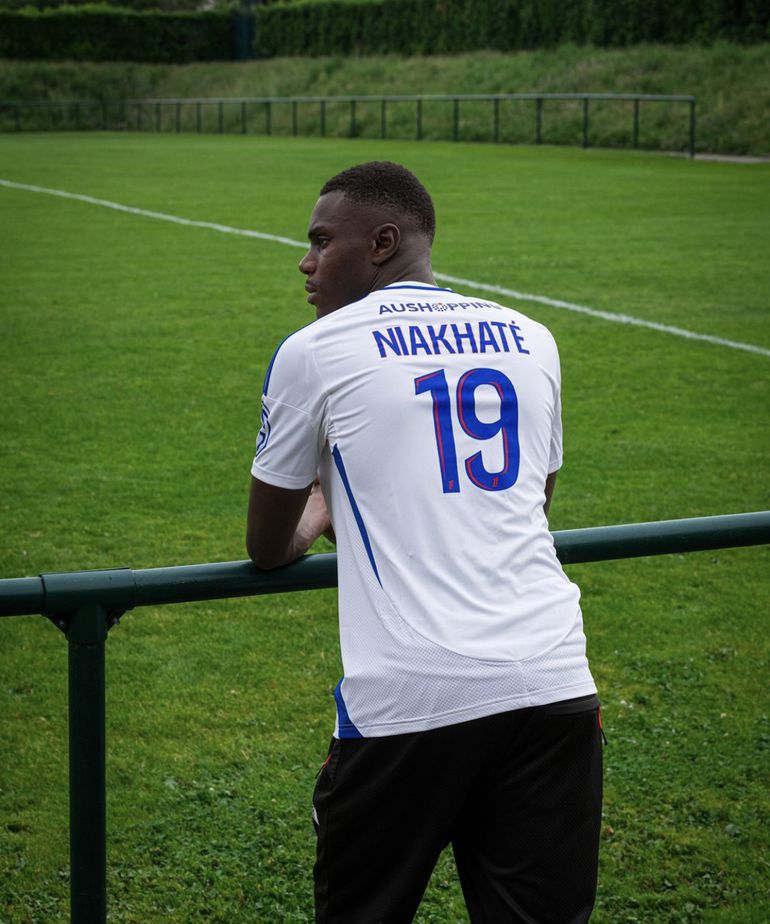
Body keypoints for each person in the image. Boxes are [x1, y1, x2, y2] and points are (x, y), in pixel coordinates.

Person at [246, 161, 602, 923]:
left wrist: (321, 508)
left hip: (411, 702)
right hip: (554, 680)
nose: (306, 263)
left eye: (321, 241)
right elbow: (533, 504)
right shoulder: (534, 338)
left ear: (382, 242)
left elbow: (268, 545)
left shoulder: (314, 349)